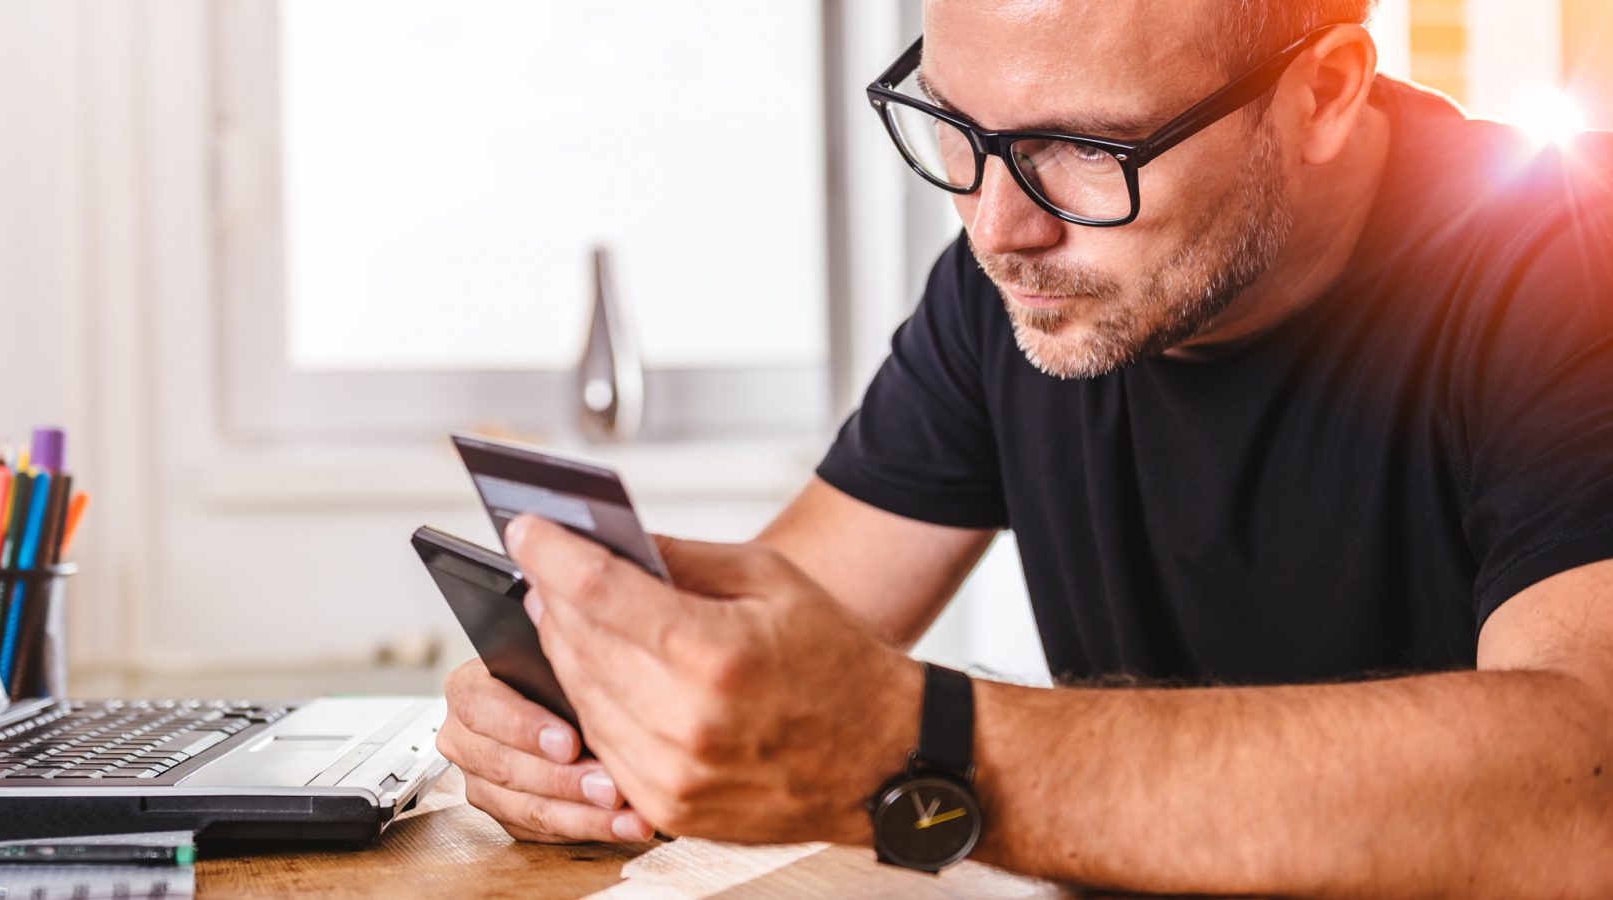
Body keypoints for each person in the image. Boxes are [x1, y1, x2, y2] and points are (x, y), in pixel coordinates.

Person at [437, 0, 1613, 893]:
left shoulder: (1563, 254)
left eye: (1089, 149)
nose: (1002, 228)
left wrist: (931, 749)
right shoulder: (1022, 288)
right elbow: (791, 645)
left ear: (1323, 95)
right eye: (954, 126)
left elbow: (1588, 788)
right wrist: (601, 723)